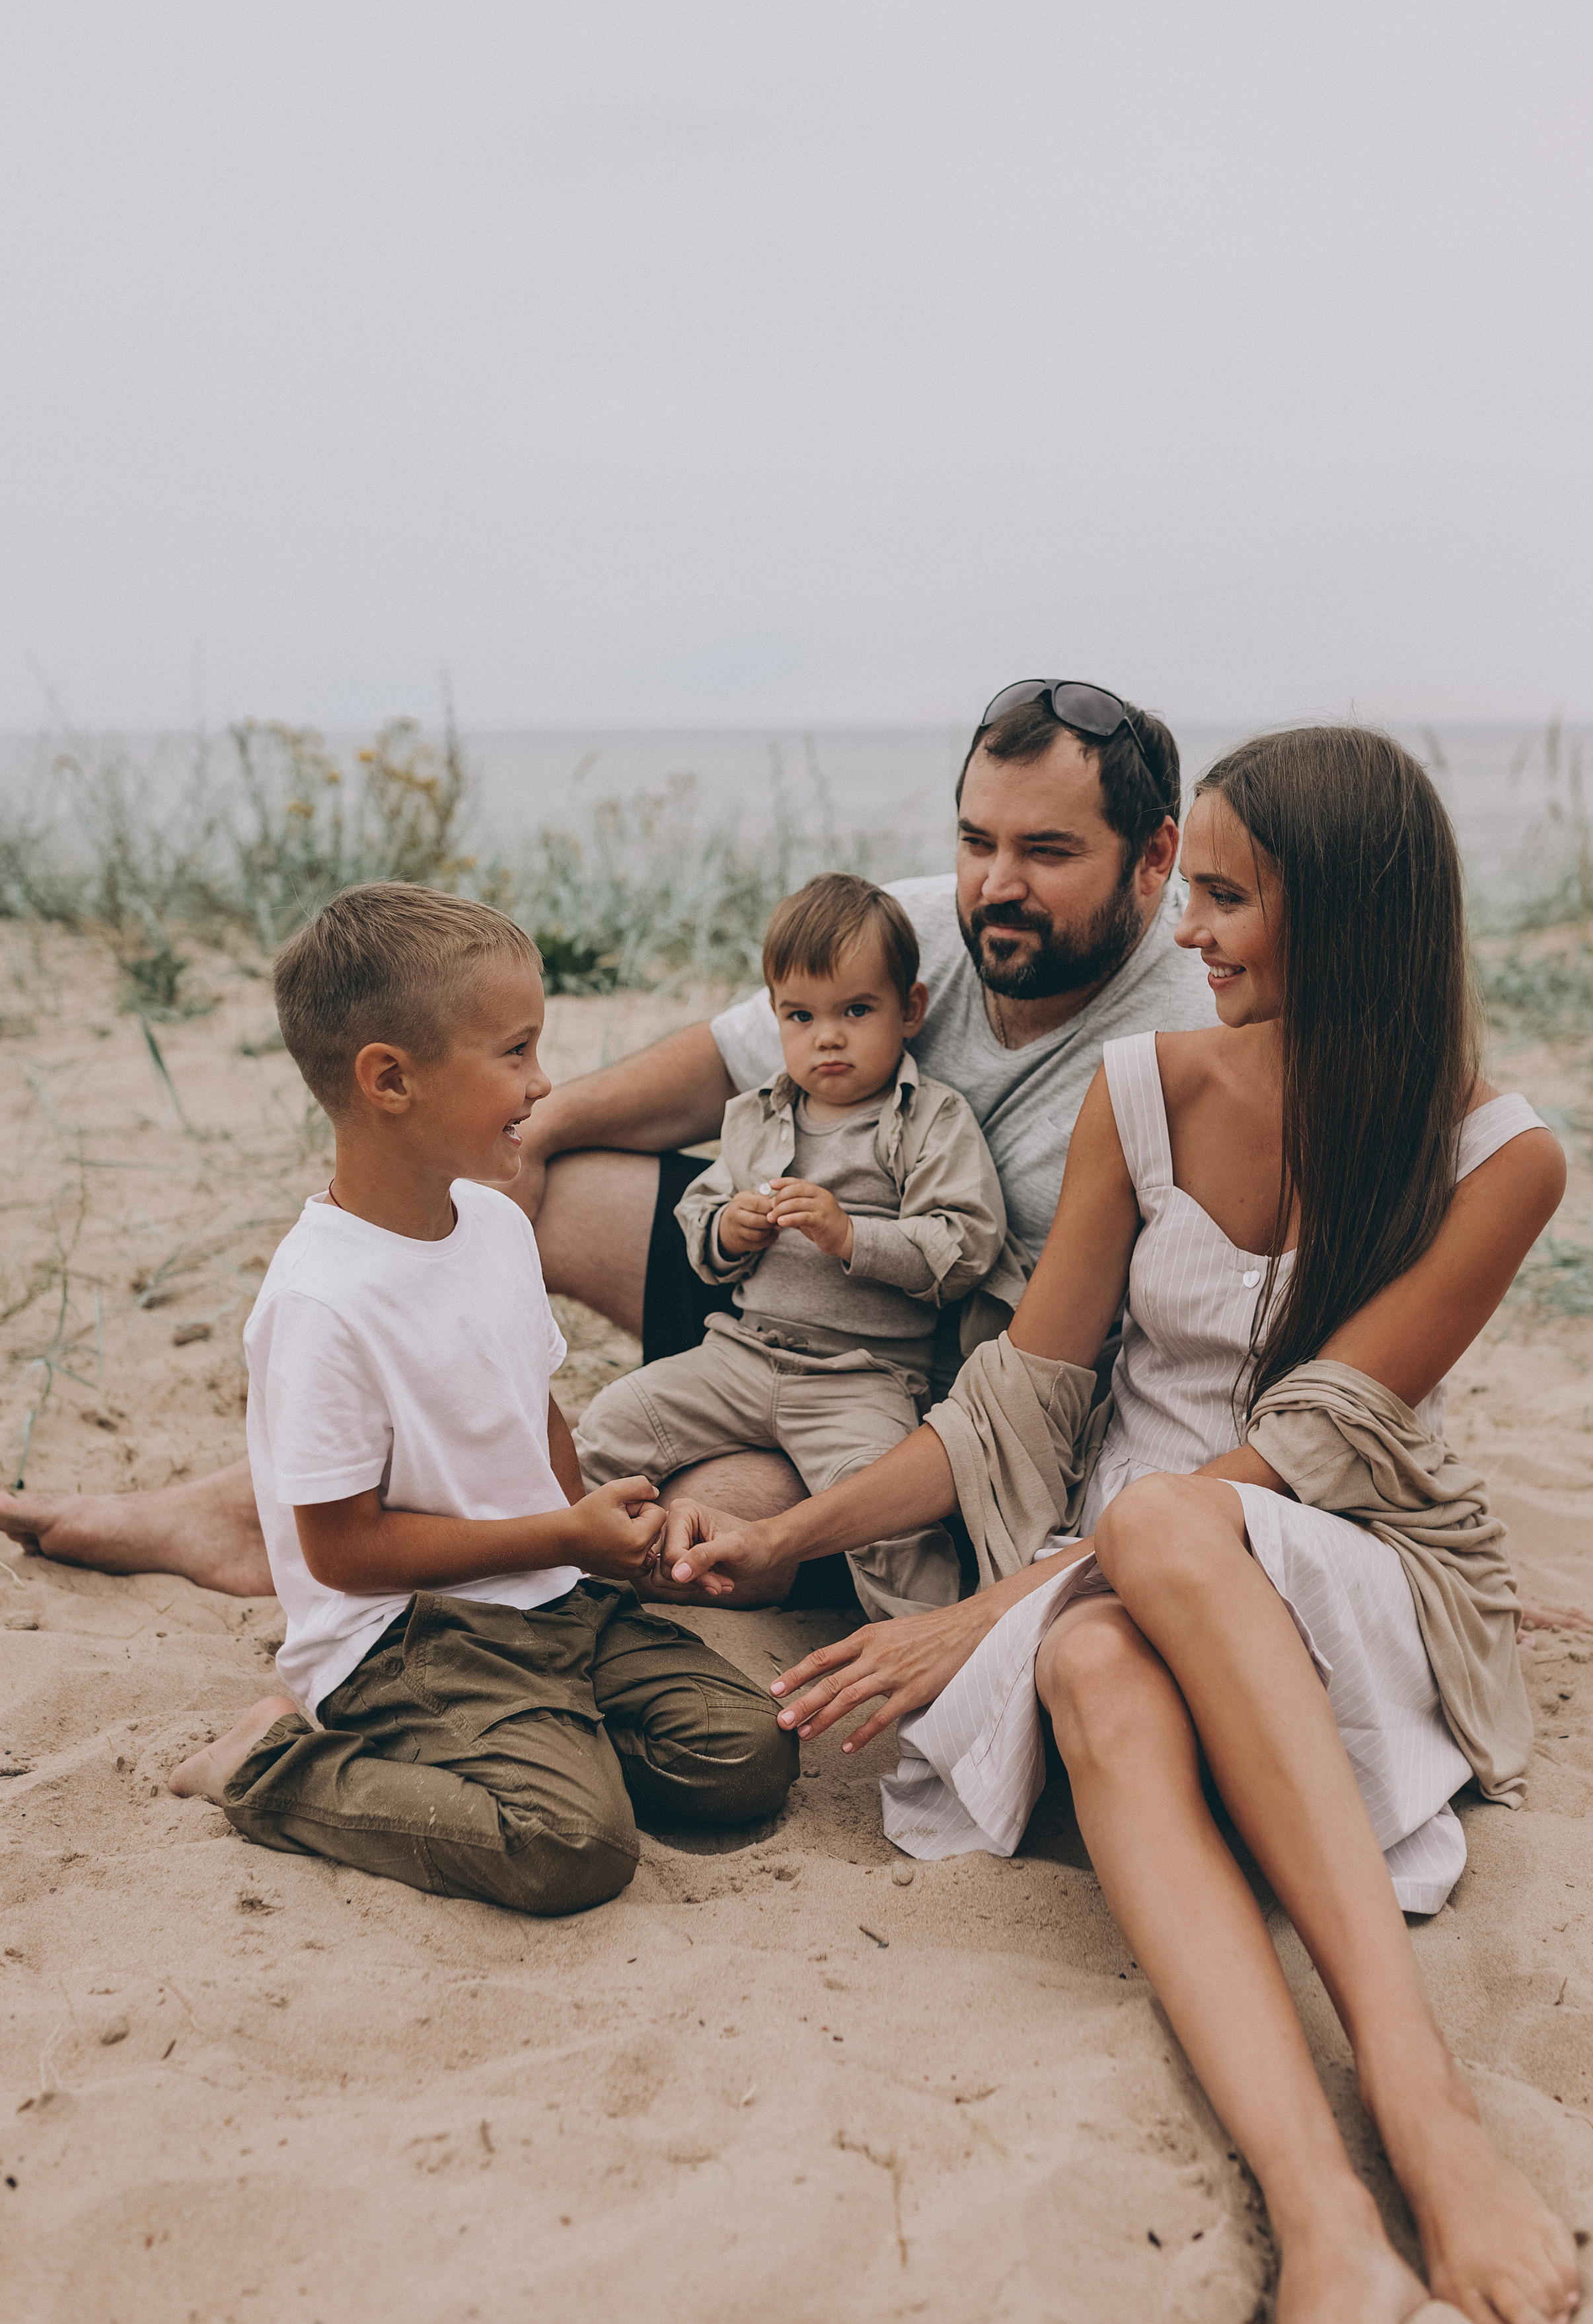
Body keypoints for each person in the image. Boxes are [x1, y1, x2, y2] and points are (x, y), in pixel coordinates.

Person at [659, 727, 1580, 2324]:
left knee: (1158, 1525)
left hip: (1345, 1574)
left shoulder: (1497, 1154)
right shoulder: (1140, 1092)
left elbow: (1307, 1446)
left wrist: (987, 1607)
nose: (1194, 931)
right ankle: (1320, 2218)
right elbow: (1016, 1395)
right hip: (1119, 1591)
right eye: (1194, 888)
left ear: (1353, 917)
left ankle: (1422, 2104)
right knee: (1100, 1652)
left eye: (1225, 895)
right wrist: (794, 1536)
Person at [0, 678, 1208, 1597]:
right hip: (766, 1308)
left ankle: (378, 1527)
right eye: (976, 840)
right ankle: (270, 1502)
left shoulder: (1183, 1044)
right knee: (555, 1179)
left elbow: (1080, 1370)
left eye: (1047, 853)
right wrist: (541, 1124)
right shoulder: (915, 928)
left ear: (1155, 858)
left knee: (709, 1527)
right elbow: (724, 1063)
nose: (995, 883)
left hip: (920, 1404)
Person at [168, 884, 795, 1911]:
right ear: (390, 1080)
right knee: (572, 1848)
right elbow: (342, 1553)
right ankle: (266, 1765)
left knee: (749, 1753)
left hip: (553, 1595)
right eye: (514, 1052)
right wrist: (560, 1538)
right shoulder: (323, 1301)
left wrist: (606, 1536)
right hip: (404, 1635)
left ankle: (526, 1741)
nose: (543, 1084)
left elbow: (534, 1411)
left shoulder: (495, 1226)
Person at [575, 871, 1010, 1618]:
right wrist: (728, 1230)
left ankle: (931, 1667)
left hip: (861, 1378)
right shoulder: (757, 1116)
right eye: (801, 1016)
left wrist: (851, 1236)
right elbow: (701, 1215)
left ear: (909, 1011)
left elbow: (964, 1246)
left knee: (887, 1519)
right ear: (775, 1018)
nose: (828, 1036)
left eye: (856, 1010)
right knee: (609, 1428)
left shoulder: (929, 1121)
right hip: (739, 1357)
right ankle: (557, 1584)